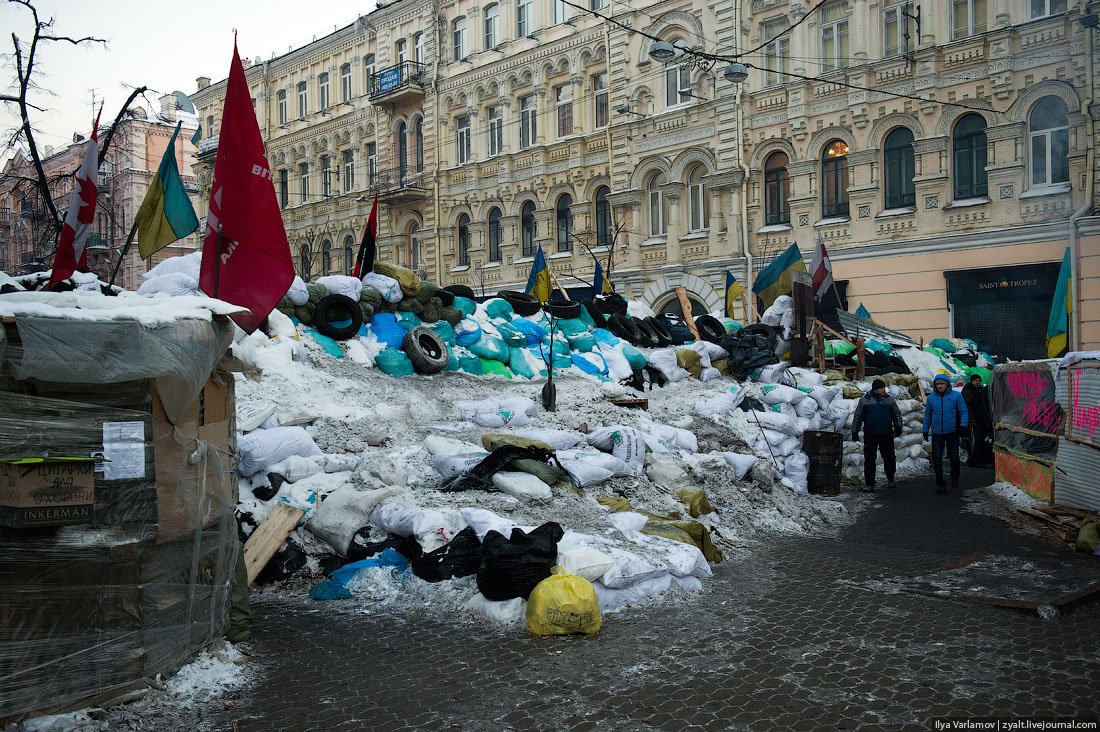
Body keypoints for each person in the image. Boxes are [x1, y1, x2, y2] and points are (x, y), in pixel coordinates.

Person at [851, 378, 903, 492]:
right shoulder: (865, 400)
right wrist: (854, 431)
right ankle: (869, 483)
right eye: (880, 388)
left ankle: (890, 478)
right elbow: (858, 416)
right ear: (875, 389)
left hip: (886, 433)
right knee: (869, 459)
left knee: (889, 457)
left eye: (884, 387)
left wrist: (898, 426)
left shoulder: (889, 400)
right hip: (870, 434)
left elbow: (896, 413)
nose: (883, 389)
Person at [923, 373, 969, 493]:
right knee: (937, 459)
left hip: (952, 432)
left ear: (947, 384)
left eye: (942, 383)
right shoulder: (932, 398)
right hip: (937, 433)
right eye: (937, 384)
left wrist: (963, 425)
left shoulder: (956, 396)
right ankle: (940, 483)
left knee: (954, 457)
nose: (939, 386)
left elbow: (963, 411)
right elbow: (928, 415)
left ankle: (955, 475)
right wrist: (925, 429)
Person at [961, 374, 993, 468]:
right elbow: (966, 406)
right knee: (975, 440)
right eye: (976, 380)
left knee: (981, 440)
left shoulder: (981, 391)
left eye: (979, 380)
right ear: (971, 381)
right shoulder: (968, 391)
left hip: (982, 420)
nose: (978, 382)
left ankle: (979, 459)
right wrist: (971, 419)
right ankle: (974, 460)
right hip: (973, 420)